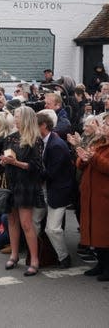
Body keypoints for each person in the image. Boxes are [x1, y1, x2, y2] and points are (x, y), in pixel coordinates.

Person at [0, 106, 44, 277]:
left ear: (26, 118)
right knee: (12, 221)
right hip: (11, 182)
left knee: (26, 223)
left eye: (17, 116)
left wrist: (14, 162)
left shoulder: (35, 139)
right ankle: (14, 255)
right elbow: (4, 161)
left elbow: (36, 167)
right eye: (15, 116)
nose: (15, 119)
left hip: (26, 184)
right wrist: (3, 162)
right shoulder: (10, 138)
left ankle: (34, 260)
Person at [32, 110, 76, 269]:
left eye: (34, 126)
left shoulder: (56, 145)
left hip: (58, 191)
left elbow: (52, 173)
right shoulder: (42, 141)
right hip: (46, 189)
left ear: (43, 126)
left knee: (52, 229)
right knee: (32, 222)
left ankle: (64, 257)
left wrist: (28, 170)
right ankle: (39, 254)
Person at [76, 114, 109, 281]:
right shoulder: (97, 142)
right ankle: (101, 264)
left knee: (104, 232)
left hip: (103, 195)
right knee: (95, 232)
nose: (103, 126)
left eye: (106, 124)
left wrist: (93, 157)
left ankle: (107, 267)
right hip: (91, 194)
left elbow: (106, 166)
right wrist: (83, 159)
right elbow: (81, 164)